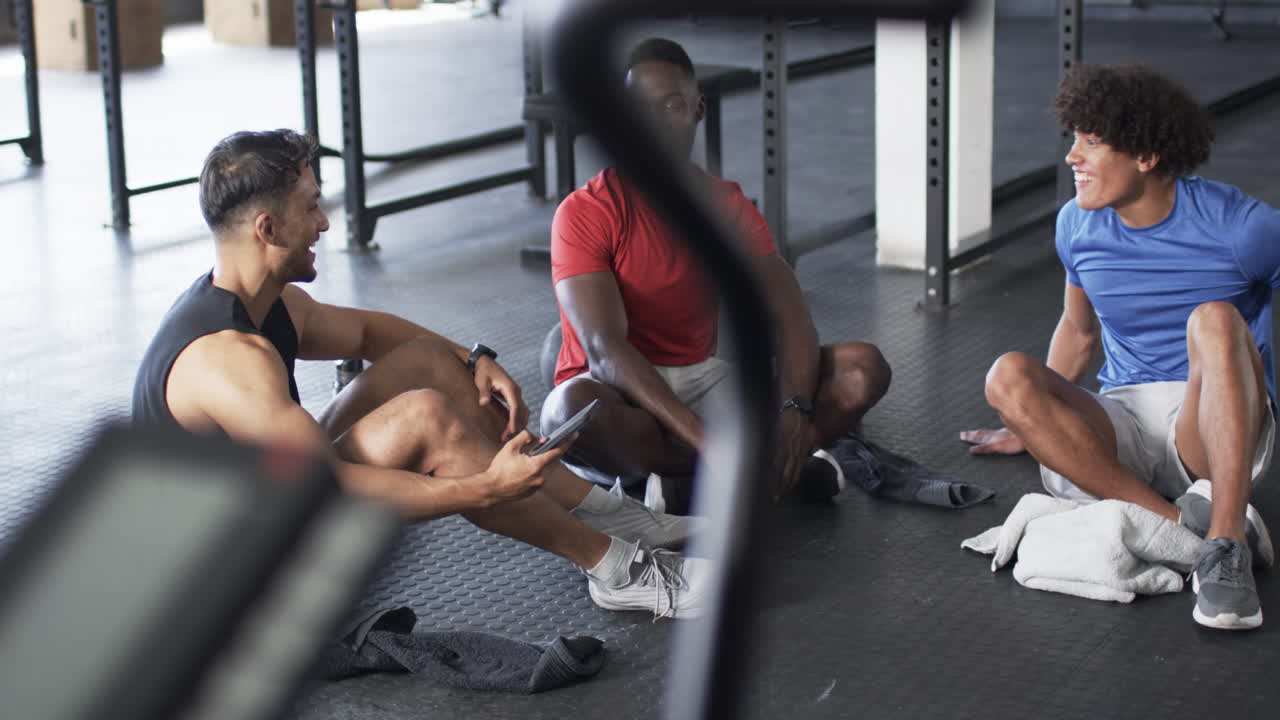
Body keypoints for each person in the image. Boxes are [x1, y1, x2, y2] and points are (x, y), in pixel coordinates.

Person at [131, 129, 708, 619]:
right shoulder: (229, 361)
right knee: (425, 417)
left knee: (431, 363)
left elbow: (369, 334)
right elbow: (326, 490)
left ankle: (612, 514)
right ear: (267, 229)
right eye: (310, 206)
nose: (324, 223)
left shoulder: (259, 301)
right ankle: (615, 569)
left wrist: (475, 358)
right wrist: (483, 487)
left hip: (259, 502)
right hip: (218, 590)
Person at [960, 63, 1280, 630]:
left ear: (1146, 155)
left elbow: (1229, 338)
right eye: (1073, 138)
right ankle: (1182, 527)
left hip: (1210, 420)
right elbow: (1080, 333)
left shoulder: (1243, 226)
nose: (1072, 156)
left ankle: (1227, 543)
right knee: (1006, 375)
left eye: (1093, 141)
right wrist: (1033, 421)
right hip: (1126, 413)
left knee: (1213, 317)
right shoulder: (1077, 226)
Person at [541, 38, 892, 507]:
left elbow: (791, 316)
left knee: (862, 369)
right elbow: (605, 351)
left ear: (697, 109)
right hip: (620, 389)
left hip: (702, 378)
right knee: (569, 411)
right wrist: (710, 442)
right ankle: (752, 472)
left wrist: (794, 412)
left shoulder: (728, 206)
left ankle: (691, 483)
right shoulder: (586, 212)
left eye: (671, 106)